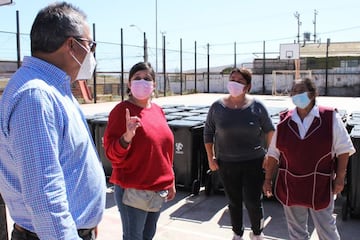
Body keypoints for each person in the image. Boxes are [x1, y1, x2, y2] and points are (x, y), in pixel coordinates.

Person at [0, 2, 106, 240]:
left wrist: (87, 218)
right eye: (90, 45)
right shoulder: (35, 96)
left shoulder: (52, 89)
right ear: (71, 45)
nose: (91, 53)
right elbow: (44, 196)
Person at [263, 78, 356, 240]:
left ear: (312, 94)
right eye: (293, 92)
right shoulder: (284, 121)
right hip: (291, 184)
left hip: (320, 185)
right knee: (296, 232)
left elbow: (343, 150)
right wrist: (268, 179)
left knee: (327, 230)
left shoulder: (329, 118)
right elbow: (273, 154)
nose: (296, 95)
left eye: (300, 91)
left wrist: (340, 178)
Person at [103, 61, 176, 240]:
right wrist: (127, 137)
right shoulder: (121, 111)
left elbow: (164, 149)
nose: (142, 82)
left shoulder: (158, 110)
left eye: (147, 78)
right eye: (137, 78)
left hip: (157, 187)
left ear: (154, 85)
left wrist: (170, 179)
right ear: (129, 83)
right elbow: (111, 153)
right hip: (133, 189)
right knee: (134, 237)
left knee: (148, 236)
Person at [203, 67, 275, 240]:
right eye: (232, 79)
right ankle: (237, 233)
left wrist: (269, 155)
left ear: (247, 86)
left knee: (253, 201)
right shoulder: (217, 107)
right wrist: (210, 157)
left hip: (253, 162)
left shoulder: (257, 106)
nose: (234, 83)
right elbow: (208, 133)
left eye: (239, 81)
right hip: (226, 163)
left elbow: (270, 132)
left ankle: (257, 233)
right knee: (234, 202)